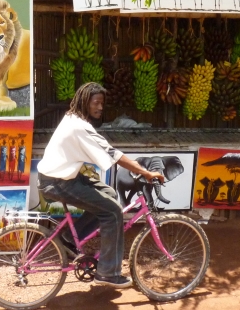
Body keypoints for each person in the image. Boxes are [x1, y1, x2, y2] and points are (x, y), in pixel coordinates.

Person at [37, 82, 163, 289]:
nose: (100, 107)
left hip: (62, 176)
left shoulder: (73, 118)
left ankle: (69, 238)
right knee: (113, 212)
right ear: (85, 101)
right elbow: (112, 154)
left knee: (109, 195)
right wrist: (145, 172)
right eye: (96, 103)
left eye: (102, 103)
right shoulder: (79, 127)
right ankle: (108, 273)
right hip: (58, 182)